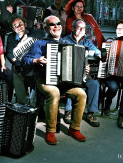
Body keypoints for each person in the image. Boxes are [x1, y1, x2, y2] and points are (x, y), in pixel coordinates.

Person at [22, 15, 87, 145]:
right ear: (46, 28)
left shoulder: (68, 44)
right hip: (44, 80)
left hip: (65, 82)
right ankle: (50, 131)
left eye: (58, 23)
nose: (56, 26)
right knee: (54, 93)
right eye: (52, 24)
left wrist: (84, 69)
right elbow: (25, 60)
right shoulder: (39, 43)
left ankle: (74, 129)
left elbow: (77, 64)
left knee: (81, 94)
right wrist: (36, 60)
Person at [63, 19, 101, 127]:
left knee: (94, 84)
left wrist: (98, 54)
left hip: (84, 74)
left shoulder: (87, 41)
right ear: (73, 28)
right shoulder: (65, 40)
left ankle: (91, 113)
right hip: (69, 73)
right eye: (79, 27)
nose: (81, 30)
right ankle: (68, 111)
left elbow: (96, 50)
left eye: (83, 28)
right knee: (70, 82)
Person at [6, 14, 35, 104]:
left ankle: (34, 103)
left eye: (20, 24)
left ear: (25, 25)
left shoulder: (33, 34)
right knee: (15, 73)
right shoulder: (11, 37)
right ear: (12, 29)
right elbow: (9, 53)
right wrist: (15, 62)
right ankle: (22, 103)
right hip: (19, 65)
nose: (18, 27)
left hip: (32, 64)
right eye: (15, 25)